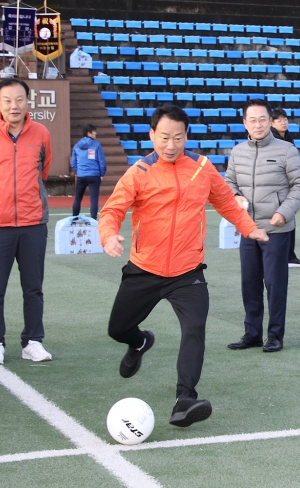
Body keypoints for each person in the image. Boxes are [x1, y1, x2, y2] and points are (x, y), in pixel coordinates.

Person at [99, 105, 267, 427]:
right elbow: (112, 210)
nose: (171, 145)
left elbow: (226, 201)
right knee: (117, 329)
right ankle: (139, 342)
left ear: (186, 136)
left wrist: (248, 228)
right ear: (152, 135)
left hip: (188, 271)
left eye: (178, 137)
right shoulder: (139, 172)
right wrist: (108, 236)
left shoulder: (202, 167)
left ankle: (184, 399)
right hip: (145, 268)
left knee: (194, 329)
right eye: (164, 137)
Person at [0, 79, 53, 365]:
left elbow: (43, 172)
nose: (14, 105)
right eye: (7, 100)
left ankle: (33, 341)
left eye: (19, 99)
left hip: (33, 223)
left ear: (28, 101)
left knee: (33, 288)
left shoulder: (41, 133)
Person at [224, 101, 300, 353]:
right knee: (249, 283)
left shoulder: (286, 149)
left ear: (270, 121)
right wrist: (235, 196)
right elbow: (228, 182)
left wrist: (284, 212)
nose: (258, 124)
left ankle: (275, 335)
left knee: (275, 284)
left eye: (263, 119)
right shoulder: (238, 152)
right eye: (252, 120)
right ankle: (252, 334)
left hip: (276, 229)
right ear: (244, 123)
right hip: (248, 229)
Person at [271, 108, 300, 268]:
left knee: (289, 218)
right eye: (279, 120)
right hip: (276, 185)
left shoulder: (288, 138)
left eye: (285, 119)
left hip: (287, 184)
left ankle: (289, 256)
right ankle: (283, 257)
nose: (283, 122)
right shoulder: (272, 139)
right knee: (279, 220)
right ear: (272, 123)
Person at [71, 123, 106, 220]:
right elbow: (101, 161)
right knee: (94, 199)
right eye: (94, 132)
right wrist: (102, 173)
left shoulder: (77, 145)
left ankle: (74, 218)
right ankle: (93, 220)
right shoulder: (96, 145)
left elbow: (73, 162)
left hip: (81, 175)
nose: (96, 134)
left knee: (78, 198)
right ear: (89, 133)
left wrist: (77, 171)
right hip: (94, 175)